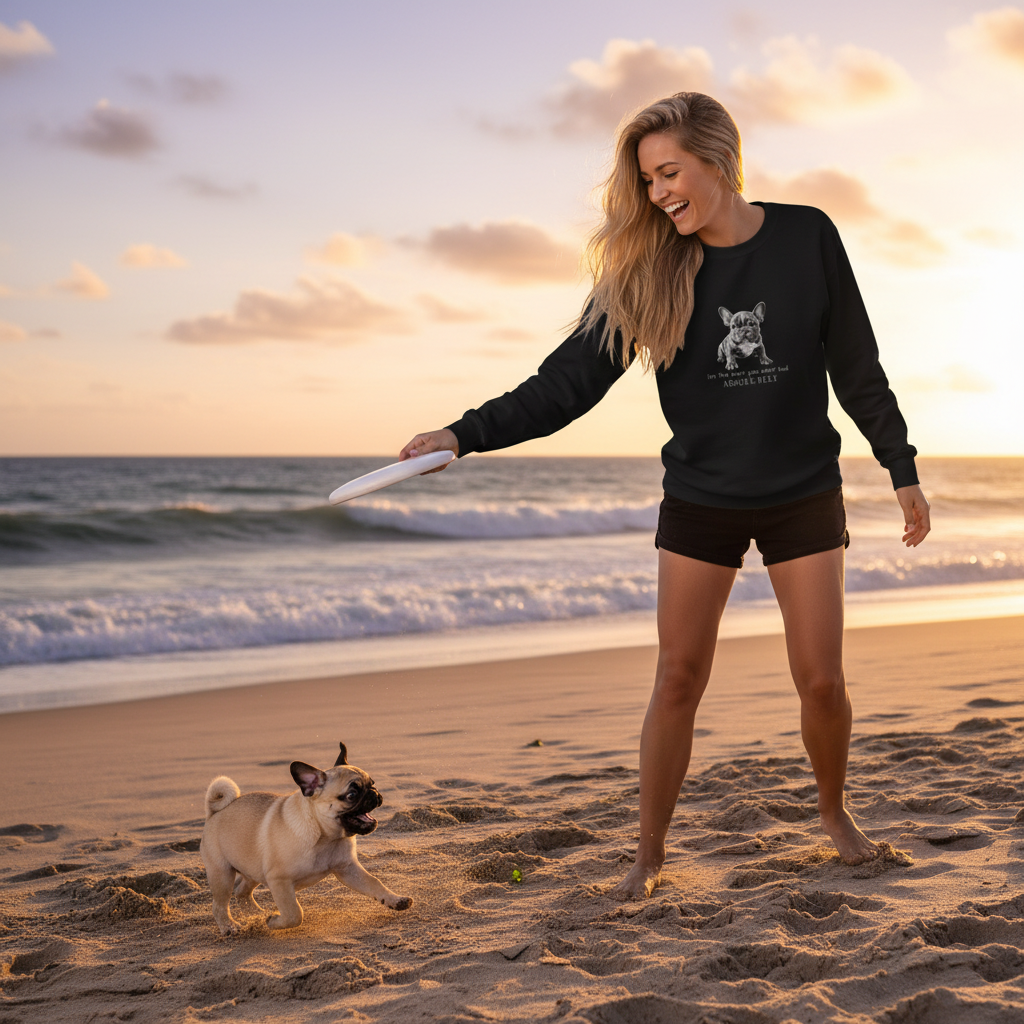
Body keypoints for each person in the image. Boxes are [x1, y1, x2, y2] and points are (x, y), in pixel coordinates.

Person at [399, 91, 931, 898]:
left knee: (822, 681)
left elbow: (856, 364)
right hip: (701, 498)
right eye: (647, 182)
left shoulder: (808, 235)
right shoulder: (648, 270)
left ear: (718, 159)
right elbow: (565, 385)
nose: (659, 194)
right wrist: (462, 433)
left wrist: (901, 467)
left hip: (802, 493)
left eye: (670, 172)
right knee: (678, 677)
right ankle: (649, 855)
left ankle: (832, 812)